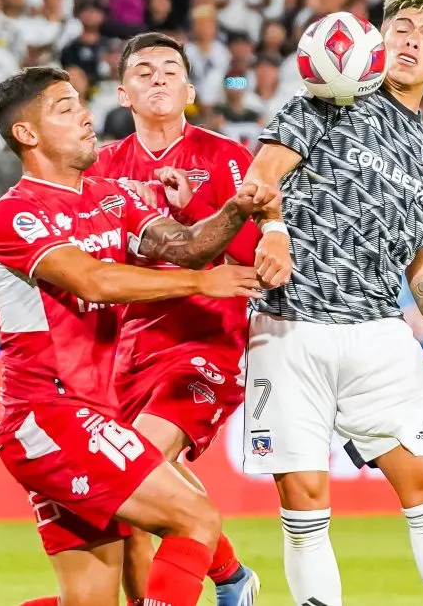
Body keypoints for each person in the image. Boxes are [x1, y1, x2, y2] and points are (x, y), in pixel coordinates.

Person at [0, 66, 279, 606]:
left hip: (88, 414)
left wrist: (235, 208)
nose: (84, 117)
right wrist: (201, 284)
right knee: (195, 520)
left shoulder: (111, 197)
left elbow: (187, 246)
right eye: (64, 109)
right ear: (27, 133)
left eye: (80, 104)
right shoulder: (15, 214)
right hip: (48, 415)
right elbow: (92, 280)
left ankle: (233, 579)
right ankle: (233, 580)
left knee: (90, 600)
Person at [243, 0, 423, 606]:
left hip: (379, 333)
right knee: (303, 500)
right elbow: (260, 178)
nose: (412, 40)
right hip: (290, 323)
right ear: (377, 42)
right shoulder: (323, 100)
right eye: (401, 28)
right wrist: (274, 230)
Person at [87, 31, 277, 606]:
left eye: (171, 69)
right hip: (124, 347)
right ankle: (230, 575)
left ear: (190, 90)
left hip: (206, 338)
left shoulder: (227, 158)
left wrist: (196, 210)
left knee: (133, 469)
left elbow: (257, 257)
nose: (158, 77)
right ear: (123, 94)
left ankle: (228, 577)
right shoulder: (102, 168)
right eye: (143, 70)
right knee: (133, 508)